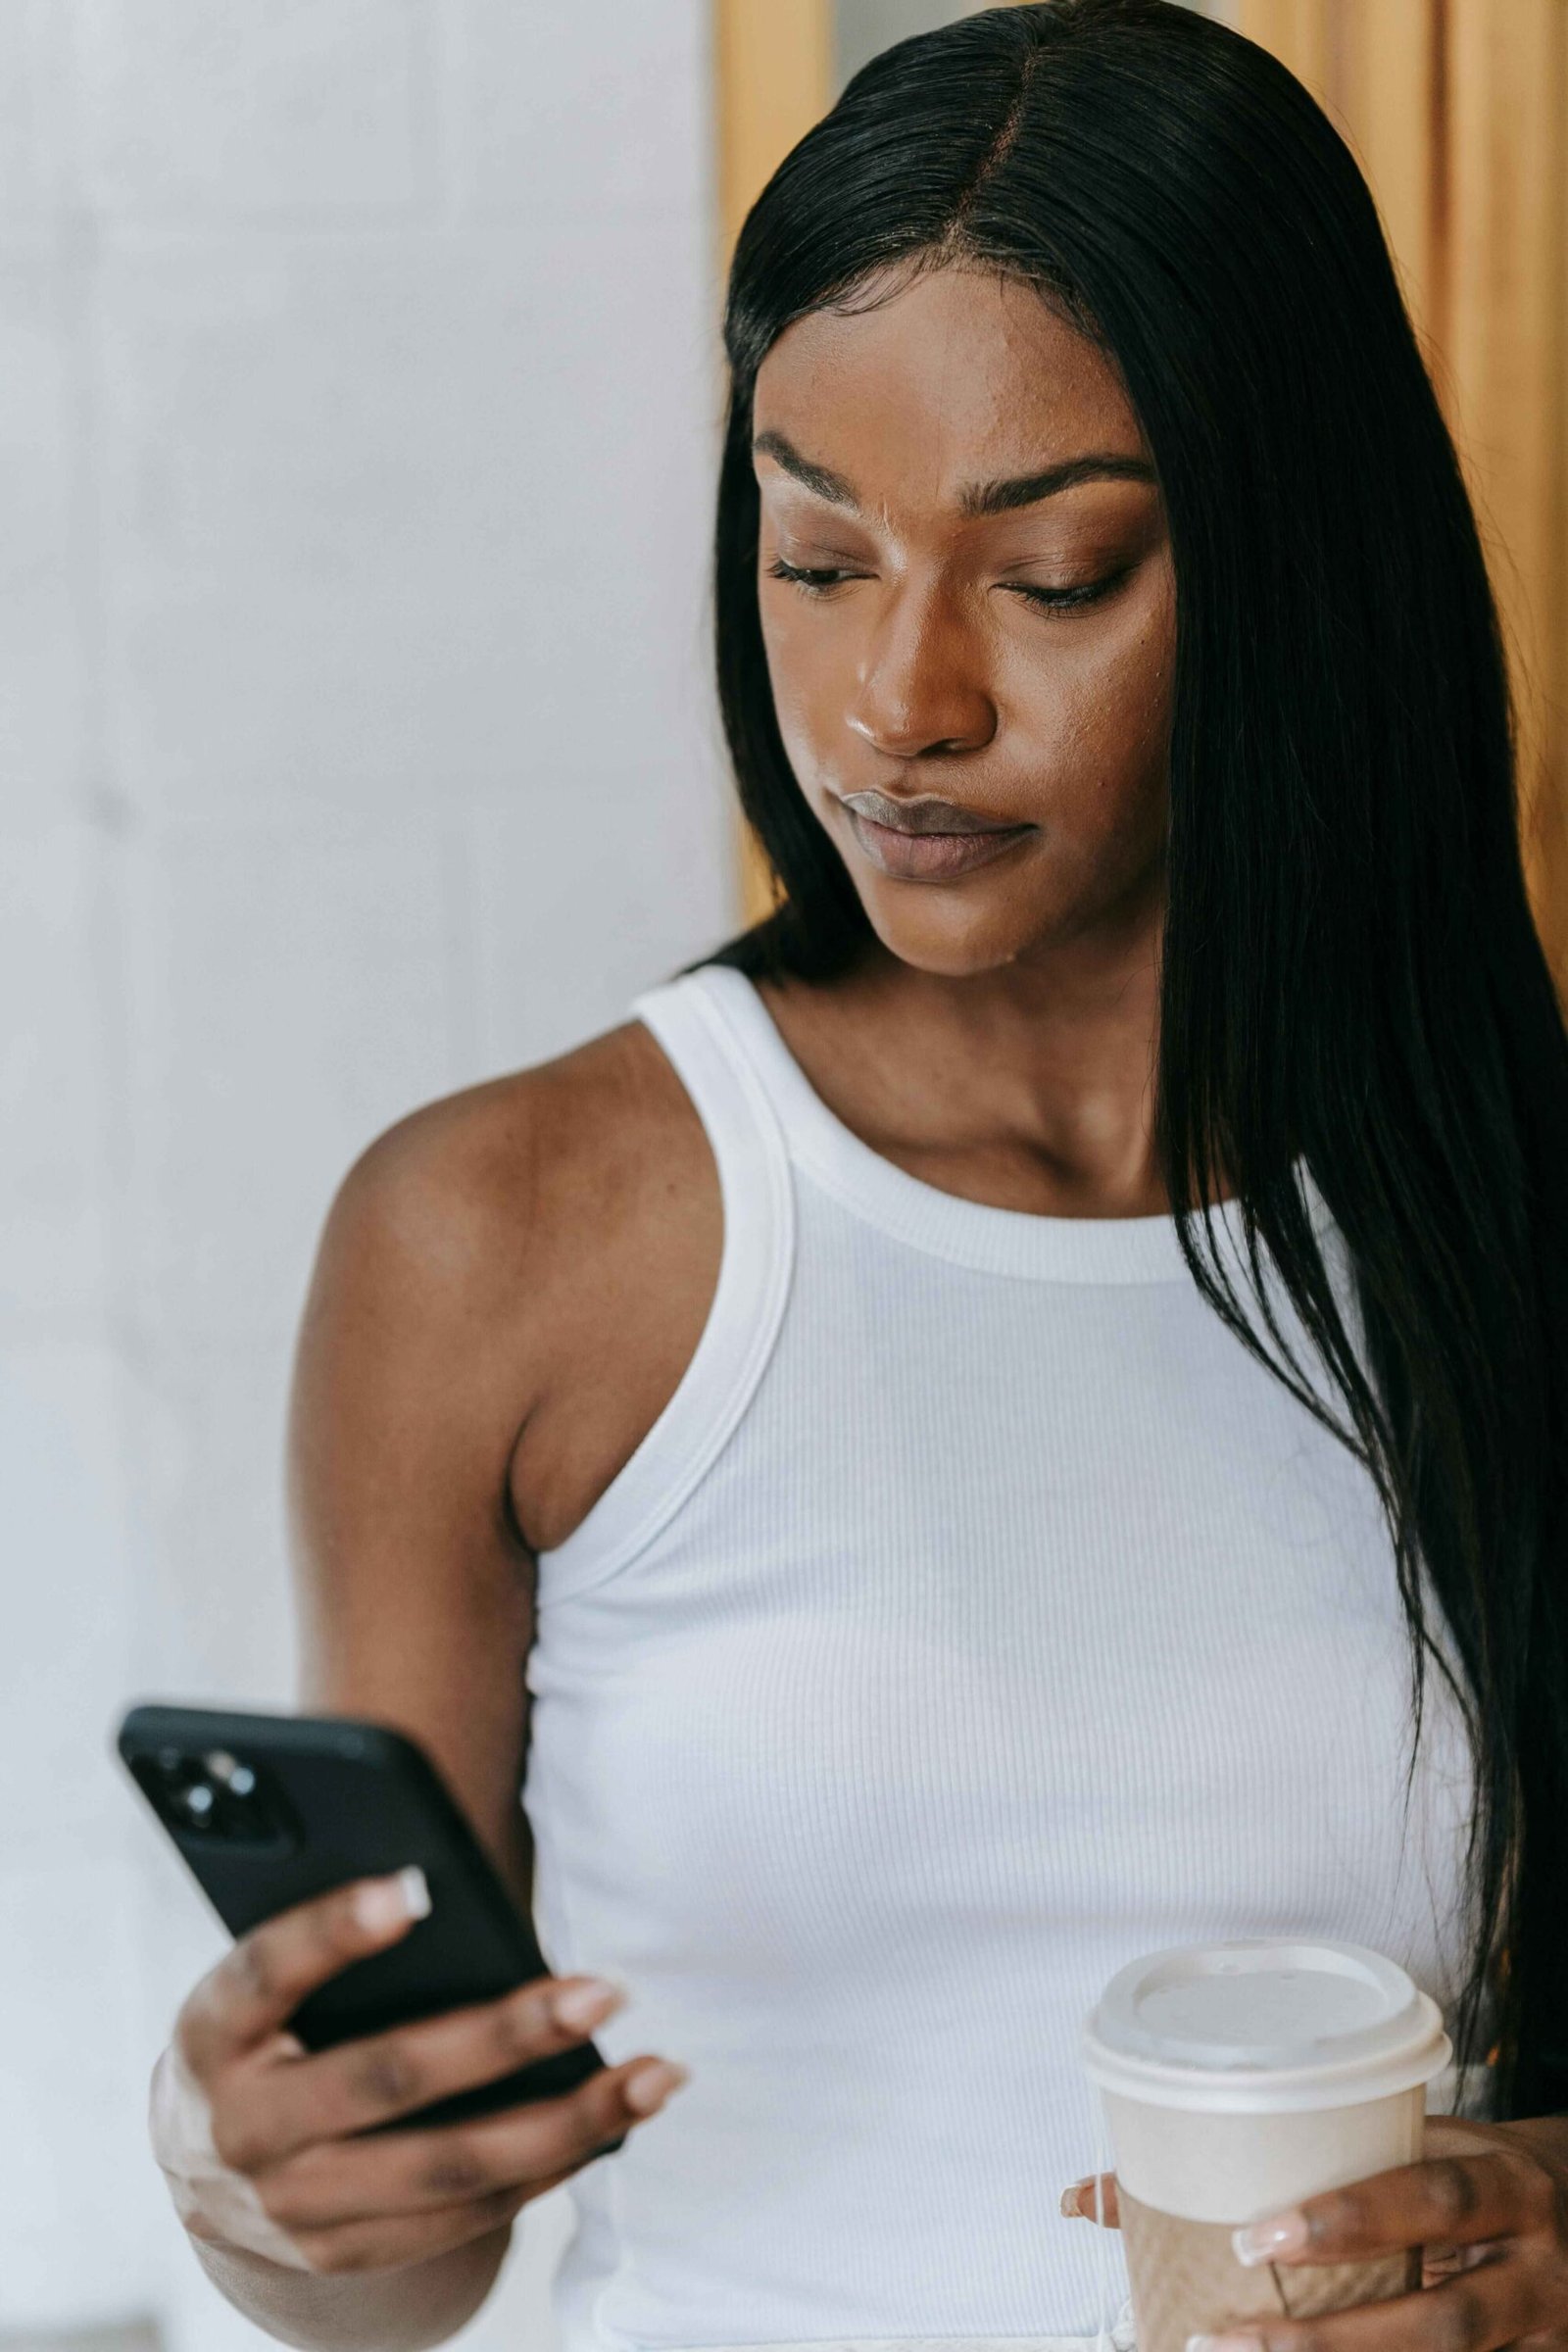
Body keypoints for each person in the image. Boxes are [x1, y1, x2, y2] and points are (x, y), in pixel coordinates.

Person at [146, 3, 1568, 2349]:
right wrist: (252, 2184)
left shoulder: (1492, 1222)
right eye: (816, 557)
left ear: (1297, 573)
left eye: (1054, 576)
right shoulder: (499, 1238)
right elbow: (395, 2274)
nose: (893, 704)